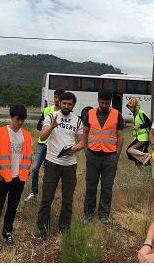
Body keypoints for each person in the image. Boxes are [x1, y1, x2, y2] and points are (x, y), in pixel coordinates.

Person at [36, 91, 86, 243]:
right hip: (52, 163)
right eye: (64, 103)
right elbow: (42, 137)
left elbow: (82, 142)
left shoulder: (77, 121)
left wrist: (72, 150)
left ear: (73, 105)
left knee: (67, 200)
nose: (66, 106)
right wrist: (52, 126)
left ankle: (64, 230)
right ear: (60, 103)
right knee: (47, 198)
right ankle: (42, 231)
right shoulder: (51, 117)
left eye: (69, 104)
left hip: (70, 164)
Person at [0, 104, 32, 253]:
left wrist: (27, 172)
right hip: (4, 178)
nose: (20, 123)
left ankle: (7, 232)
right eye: (18, 119)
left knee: (12, 207)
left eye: (22, 120)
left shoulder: (27, 135)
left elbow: (28, 155)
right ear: (11, 117)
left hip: (19, 178)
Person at [81, 91, 125, 224]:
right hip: (93, 155)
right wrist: (86, 150)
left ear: (110, 101)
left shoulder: (117, 115)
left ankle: (104, 215)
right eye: (102, 102)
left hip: (110, 157)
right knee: (91, 186)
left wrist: (116, 156)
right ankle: (88, 214)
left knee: (107, 187)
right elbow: (85, 132)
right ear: (98, 100)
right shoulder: (90, 113)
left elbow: (121, 136)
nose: (104, 105)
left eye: (107, 103)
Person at [26, 89, 64, 202]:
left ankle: (48, 196)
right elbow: (39, 126)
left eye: (59, 97)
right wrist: (49, 126)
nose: (57, 99)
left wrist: (46, 125)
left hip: (55, 145)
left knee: (50, 173)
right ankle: (34, 192)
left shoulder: (65, 112)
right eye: (55, 97)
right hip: (43, 144)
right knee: (35, 168)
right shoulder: (47, 110)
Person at [125, 97, 152, 168]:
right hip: (138, 138)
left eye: (130, 107)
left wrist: (139, 126)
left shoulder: (140, 113)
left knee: (129, 150)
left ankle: (146, 156)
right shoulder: (135, 114)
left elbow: (149, 123)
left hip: (143, 138)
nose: (129, 109)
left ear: (134, 106)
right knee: (137, 157)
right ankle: (139, 174)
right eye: (129, 107)